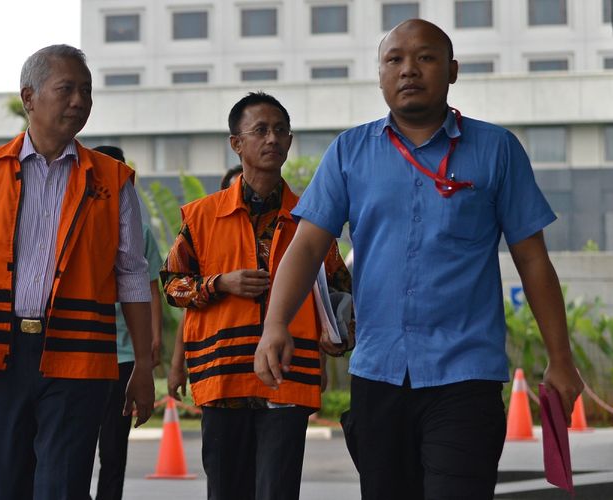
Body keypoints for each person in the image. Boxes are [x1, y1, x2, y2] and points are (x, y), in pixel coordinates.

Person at [254, 19, 585, 499]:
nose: (409, 69)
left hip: (465, 375)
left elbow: (533, 260)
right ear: (381, 75)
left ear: (451, 70)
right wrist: (276, 323)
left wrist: (560, 358)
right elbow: (305, 246)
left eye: (425, 58)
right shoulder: (350, 151)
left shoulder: (497, 150)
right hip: (378, 374)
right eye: (395, 60)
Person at [0, 44, 155, 500]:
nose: (78, 101)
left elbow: (132, 274)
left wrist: (144, 366)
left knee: (63, 488)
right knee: (2, 485)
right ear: (29, 97)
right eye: (66, 89)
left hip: (78, 359)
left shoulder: (112, 181)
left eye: (86, 91)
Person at [161, 91, 352, 500]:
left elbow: (338, 288)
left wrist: (338, 331)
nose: (272, 139)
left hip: (288, 376)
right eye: (261, 130)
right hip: (223, 376)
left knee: (278, 492)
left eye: (281, 131)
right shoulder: (201, 216)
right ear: (237, 143)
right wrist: (219, 283)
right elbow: (172, 286)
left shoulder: (312, 216)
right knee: (226, 491)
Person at [92, 145, 164, 500]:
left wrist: (148, 343)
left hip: (123, 356)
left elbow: (151, 287)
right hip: (83, 352)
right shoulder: (78, 223)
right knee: (74, 443)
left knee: (114, 446)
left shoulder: (141, 232)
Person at [167, 164, 243, 400]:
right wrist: (218, 284)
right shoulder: (203, 232)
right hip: (218, 368)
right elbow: (175, 289)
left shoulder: (287, 224)